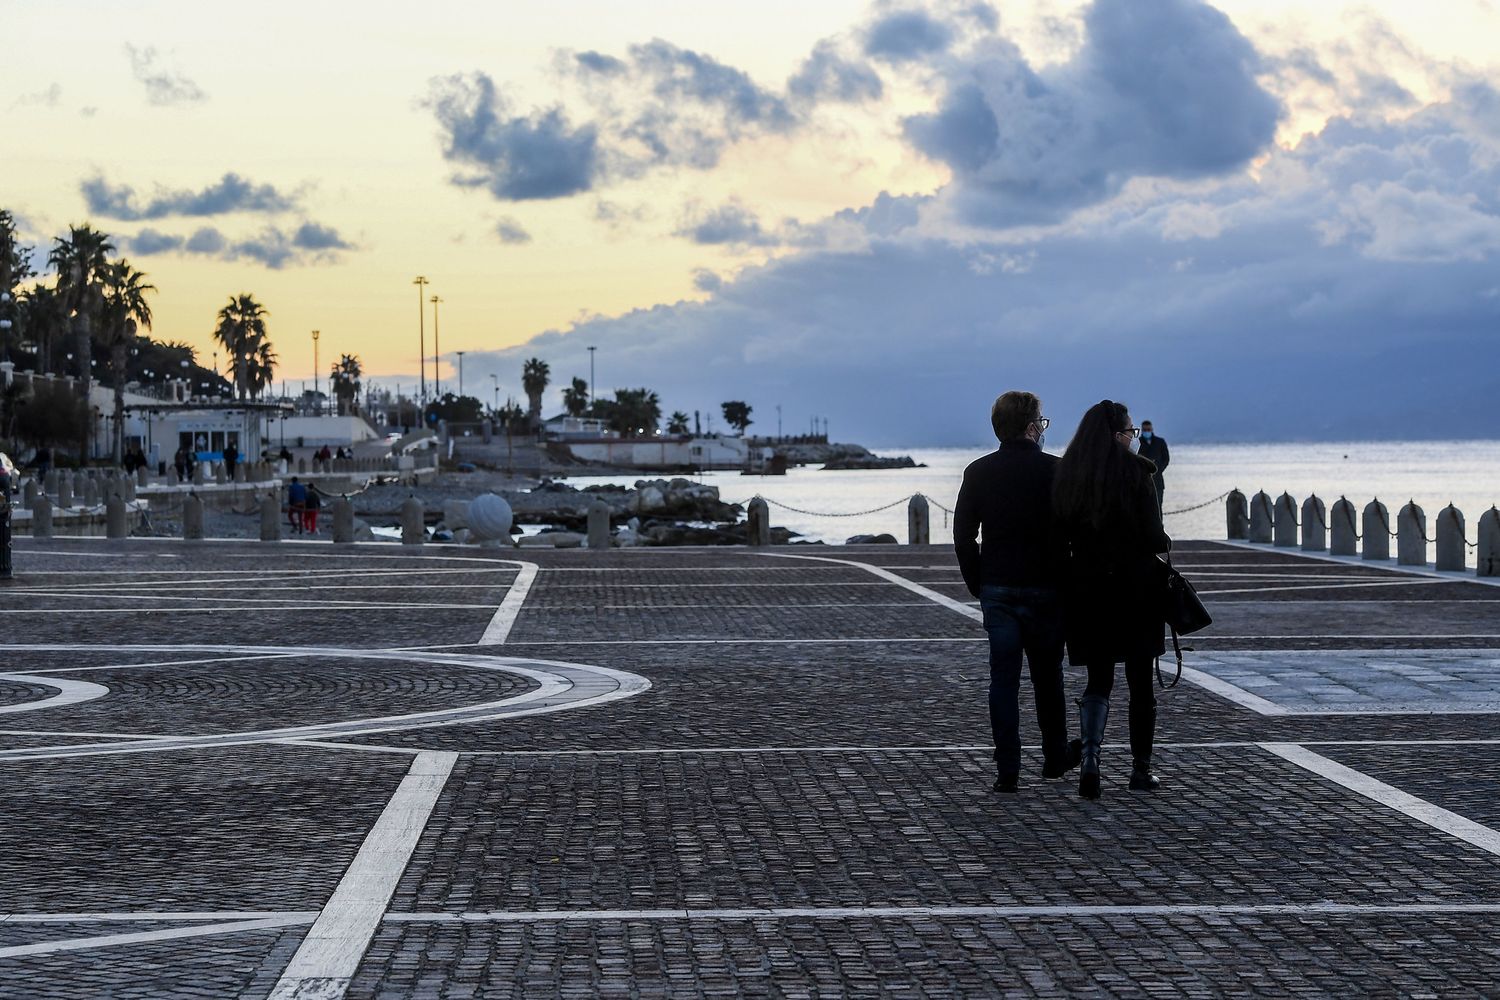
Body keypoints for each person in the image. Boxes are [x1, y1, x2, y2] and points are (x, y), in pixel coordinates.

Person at [954, 391, 1080, 793]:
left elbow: (962, 537)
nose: (1043, 430)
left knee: (1003, 680)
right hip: (1047, 588)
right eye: (1042, 423)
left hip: (998, 588)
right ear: (1031, 427)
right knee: (1048, 678)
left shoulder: (977, 472)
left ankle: (1007, 767)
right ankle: (1055, 757)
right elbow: (1079, 532)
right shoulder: (1058, 471)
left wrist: (979, 582)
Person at [1053, 400, 1172, 800]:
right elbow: (1155, 537)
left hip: (1087, 591)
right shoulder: (1139, 474)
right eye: (1130, 432)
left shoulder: (1069, 474)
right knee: (1141, 682)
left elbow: (1061, 535)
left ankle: (1090, 760)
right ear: (1117, 435)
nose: (1134, 439)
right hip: (1136, 590)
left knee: (1098, 680)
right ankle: (1140, 770)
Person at [1137, 421, 1170, 519]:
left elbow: (1166, 458)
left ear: (1152, 429)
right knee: (1143, 508)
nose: (1147, 431)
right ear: (1142, 430)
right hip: (1142, 482)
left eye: (1148, 429)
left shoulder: (1160, 442)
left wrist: (1158, 470)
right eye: (1145, 430)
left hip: (1158, 481)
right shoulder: (1138, 443)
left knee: (1158, 507)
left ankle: (1159, 528)